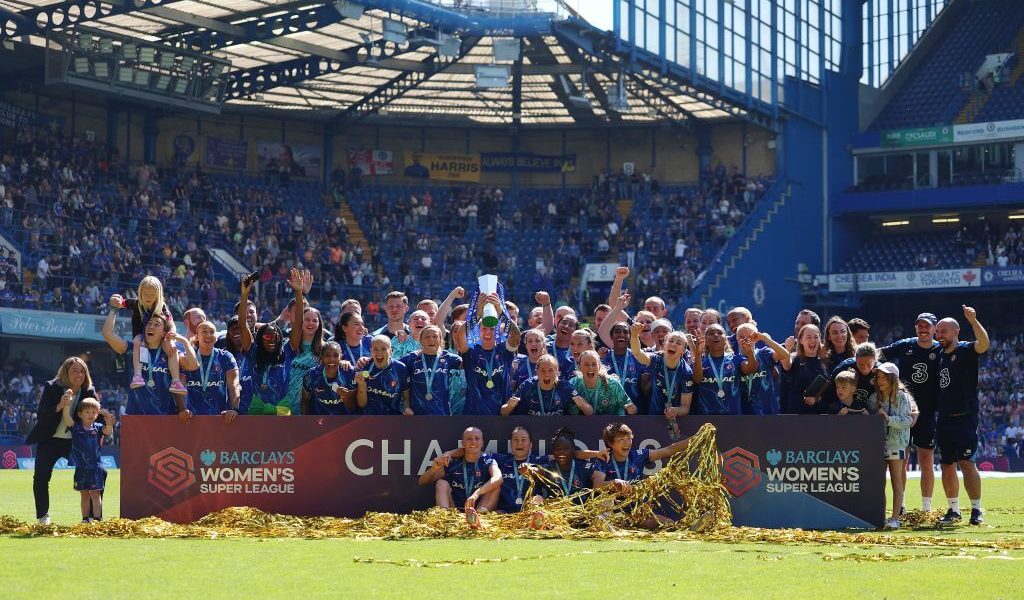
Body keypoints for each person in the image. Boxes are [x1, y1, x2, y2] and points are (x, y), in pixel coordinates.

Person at [878, 312, 942, 511]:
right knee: (901, 460)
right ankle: (901, 506)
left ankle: (926, 508)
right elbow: (878, 354)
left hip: (927, 413)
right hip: (901, 411)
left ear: (934, 328)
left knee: (926, 461)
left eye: (927, 326)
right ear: (915, 327)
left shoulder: (941, 350)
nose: (923, 329)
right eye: (920, 325)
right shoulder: (905, 345)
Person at [26, 358, 99, 525]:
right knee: (41, 477)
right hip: (49, 440)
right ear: (65, 372)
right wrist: (59, 405)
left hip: (75, 442)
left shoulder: (89, 391)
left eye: (82, 371)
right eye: (74, 371)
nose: (79, 375)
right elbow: (42, 414)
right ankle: (43, 516)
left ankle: (93, 517)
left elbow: (97, 414)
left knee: (99, 473)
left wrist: (106, 419)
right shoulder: (52, 387)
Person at [935, 306, 990, 526]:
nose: (939, 335)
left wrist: (974, 321)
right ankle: (953, 510)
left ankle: (976, 510)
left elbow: (984, 344)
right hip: (945, 418)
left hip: (965, 417)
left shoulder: (967, 350)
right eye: (937, 331)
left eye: (943, 331)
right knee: (947, 464)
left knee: (967, 463)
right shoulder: (937, 356)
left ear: (956, 332)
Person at [111, 276, 186, 397]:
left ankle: (176, 380)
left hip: (160, 337)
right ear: (140, 292)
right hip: (141, 335)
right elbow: (121, 303)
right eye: (145, 294)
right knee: (138, 342)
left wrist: (170, 338)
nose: (148, 297)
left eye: (152, 294)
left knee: (172, 348)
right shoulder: (135, 303)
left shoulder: (162, 308)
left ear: (158, 294)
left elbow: (171, 325)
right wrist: (115, 300)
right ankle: (138, 375)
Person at [452, 292, 521, 416]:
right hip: (474, 415)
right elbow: (460, 334)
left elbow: (516, 335)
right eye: (484, 328)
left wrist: (502, 313)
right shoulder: (470, 350)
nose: (488, 332)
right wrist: (477, 314)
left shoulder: (505, 349)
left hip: (502, 415)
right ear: (477, 331)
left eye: (492, 328)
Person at [418, 427, 502, 525]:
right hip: (455, 512)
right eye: (469, 439)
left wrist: (476, 494)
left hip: (478, 510)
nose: (473, 442)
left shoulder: (488, 460)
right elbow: (422, 481)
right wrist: (434, 468)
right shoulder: (452, 462)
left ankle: (477, 519)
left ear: (482, 443)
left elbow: (498, 478)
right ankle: (446, 519)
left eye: (477, 438)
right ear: (462, 443)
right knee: (441, 483)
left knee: (495, 486)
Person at [868, 363, 914, 529]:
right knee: (879, 482)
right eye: (878, 377)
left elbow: (908, 421)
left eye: (884, 377)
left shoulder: (903, 397)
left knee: (896, 481)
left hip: (896, 443)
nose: (880, 380)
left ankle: (895, 518)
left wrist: (888, 419)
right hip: (878, 444)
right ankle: (880, 516)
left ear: (893, 379)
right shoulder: (874, 398)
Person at [61, 397, 113, 524]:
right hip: (81, 467)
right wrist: (67, 404)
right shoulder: (75, 427)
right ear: (80, 414)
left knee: (95, 495)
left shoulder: (99, 428)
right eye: (87, 412)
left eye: (94, 412)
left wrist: (107, 417)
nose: (91, 414)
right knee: (84, 495)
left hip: (95, 468)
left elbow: (108, 430)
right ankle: (85, 519)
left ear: (97, 414)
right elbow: (67, 417)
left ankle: (97, 519)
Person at [179, 321, 240, 421]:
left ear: (216, 336)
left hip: (220, 418)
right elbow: (180, 385)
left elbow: (234, 385)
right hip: (191, 418)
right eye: (204, 331)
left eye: (212, 332)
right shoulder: (187, 357)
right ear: (197, 337)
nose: (208, 335)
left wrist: (233, 409)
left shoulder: (225, 356)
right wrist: (182, 409)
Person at [629, 322, 693, 417]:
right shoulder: (655, 359)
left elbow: (685, 408)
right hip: (654, 417)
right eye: (671, 341)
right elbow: (638, 353)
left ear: (683, 350)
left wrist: (676, 411)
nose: (673, 344)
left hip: (676, 421)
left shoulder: (686, 371)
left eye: (679, 343)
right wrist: (634, 336)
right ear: (664, 344)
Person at [283, 269, 323, 415]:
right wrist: (300, 293)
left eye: (314, 320)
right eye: (307, 320)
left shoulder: (324, 350)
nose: (310, 323)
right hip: (287, 407)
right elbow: (298, 318)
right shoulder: (291, 345)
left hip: (313, 408)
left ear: (320, 324)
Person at [692, 324, 756, 415]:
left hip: (733, 417)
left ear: (725, 339)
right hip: (707, 419)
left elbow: (752, 369)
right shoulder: (700, 361)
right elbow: (697, 380)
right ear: (705, 340)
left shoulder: (735, 359)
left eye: (719, 333)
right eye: (711, 333)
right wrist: (698, 354)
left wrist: (750, 353)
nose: (716, 335)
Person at [400, 325, 462, 415]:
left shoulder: (448, 358)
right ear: (420, 340)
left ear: (440, 340)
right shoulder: (411, 358)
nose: (431, 339)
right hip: (416, 415)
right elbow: (393, 366)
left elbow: (469, 362)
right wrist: (406, 406)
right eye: (427, 337)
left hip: (442, 414)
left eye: (435, 336)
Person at [501, 354, 586, 416]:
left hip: (557, 432)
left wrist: (583, 405)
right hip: (531, 431)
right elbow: (503, 412)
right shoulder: (528, 385)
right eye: (542, 370)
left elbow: (589, 412)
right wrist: (509, 406)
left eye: (550, 370)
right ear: (536, 372)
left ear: (557, 372)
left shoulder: (565, 386)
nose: (546, 374)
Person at [734, 324, 790, 415]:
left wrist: (764, 338)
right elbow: (748, 368)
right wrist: (750, 353)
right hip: (745, 414)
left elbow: (785, 354)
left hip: (769, 412)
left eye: (749, 336)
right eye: (741, 336)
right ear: (736, 338)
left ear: (756, 337)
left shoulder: (764, 353)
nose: (745, 339)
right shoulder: (734, 359)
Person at [355, 335, 410, 415]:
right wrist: (361, 384)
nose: (379, 353)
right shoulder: (364, 367)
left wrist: (406, 410)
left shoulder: (400, 368)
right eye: (375, 349)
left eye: (384, 349)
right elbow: (362, 404)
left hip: (392, 419)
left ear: (391, 351)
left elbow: (406, 397)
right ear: (371, 351)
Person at [781, 324, 829, 414]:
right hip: (797, 414)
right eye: (808, 337)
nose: (813, 340)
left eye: (816, 337)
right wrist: (787, 349)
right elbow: (786, 365)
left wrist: (817, 397)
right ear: (801, 340)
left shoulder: (826, 361)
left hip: (821, 414)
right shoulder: (793, 358)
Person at [571, 350, 637, 415]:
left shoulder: (612, 384)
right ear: (579, 367)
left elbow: (628, 404)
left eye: (594, 364)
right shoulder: (573, 384)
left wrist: (632, 409)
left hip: (611, 423)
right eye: (586, 364)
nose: (590, 367)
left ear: (599, 366)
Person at [247, 323, 292, 415]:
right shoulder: (253, 353)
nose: (272, 339)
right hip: (257, 411)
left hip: (282, 411)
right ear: (260, 338)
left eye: (275, 336)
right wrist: (243, 308)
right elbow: (243, 326)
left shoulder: (287, 352)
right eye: (267, 336)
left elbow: (298, 326)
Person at [301, 341, 356, 415]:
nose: (332, 359)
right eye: (327, 355)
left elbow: (352, 407)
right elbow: (305, 401)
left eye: (335, 355)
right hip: (318, 422)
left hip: (342, 423)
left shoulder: (349, 373)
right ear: (322, 357)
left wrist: (345, 397)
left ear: (341, 356)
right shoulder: (312, 375)